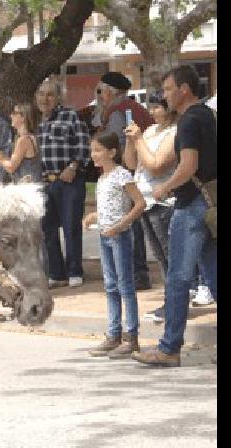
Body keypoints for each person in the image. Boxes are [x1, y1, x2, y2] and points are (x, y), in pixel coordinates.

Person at [133, 65, 217, 367]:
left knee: (178, 277)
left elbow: (189, 166)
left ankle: (169, 348)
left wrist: (165, 188)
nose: (164, 95)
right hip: (209, 205)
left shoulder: (189, 121)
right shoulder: (208, 115)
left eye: (168, 89)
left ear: (184, 89)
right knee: (213, 274)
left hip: (190, 205)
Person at [83, 132, 146, 358]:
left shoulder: (122, 175)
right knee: (110, 285)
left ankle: (132, 336)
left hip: (120, 237)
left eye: (98, 151)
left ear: (112, 152)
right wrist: (95, 216)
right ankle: (113, 334)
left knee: (125, 286)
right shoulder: (102, 179)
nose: (94, 155)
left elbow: (140, 204)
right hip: (104, 236)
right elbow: (109, 208)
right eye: (92, 151)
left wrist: (121, 226)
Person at [123, 89, 178, 323]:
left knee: (170, 255)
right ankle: (170, 301)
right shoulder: (150, 131)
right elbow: (132, 162)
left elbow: (155, 165)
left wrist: (138, 140)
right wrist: (131, 140)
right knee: (159, 256)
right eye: (151, 107)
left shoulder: (175, 132)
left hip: (163, 202)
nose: (152, 112)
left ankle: (176, 302)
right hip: (145, 201)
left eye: (157, 107)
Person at [97, 72, 155, 290]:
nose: (100, 96)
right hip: (143, 172)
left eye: (101, 91)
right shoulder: (134, 108)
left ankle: (137, 274)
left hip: (130, 173)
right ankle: (138, 273)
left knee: (131, 225)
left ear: (110, 92)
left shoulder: (117, 113)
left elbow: (116, 148)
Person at [35, 78, 92, 288]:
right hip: (45, 182)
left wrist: (73, 166)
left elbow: (83, 145)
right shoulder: (36, 122)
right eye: (41, 94)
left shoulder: (70, 116)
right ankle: (56, 273)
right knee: (47, 229)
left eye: (50, 94)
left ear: (58, 97)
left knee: (71, 227)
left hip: (69, 181)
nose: (45, 98)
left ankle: (75, 271)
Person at [0, 103, 42, 183]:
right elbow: (12, 162)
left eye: (14, 113)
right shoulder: (31, 137)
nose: (11, 115)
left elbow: (11, 167)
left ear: (23, 117)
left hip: (27, 190)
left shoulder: (23, 140)